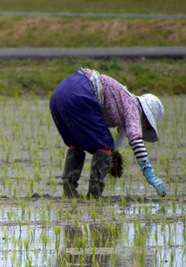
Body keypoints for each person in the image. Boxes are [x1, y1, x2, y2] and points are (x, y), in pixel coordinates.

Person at [49, 68, 166, 199]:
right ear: (146, 118)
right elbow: (136, 141)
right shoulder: (133, 106)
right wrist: (150, 175)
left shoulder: (123, 99)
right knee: (105, 145)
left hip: (58, 94)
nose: (144, 127)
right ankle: (94, 195)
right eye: (147, 125)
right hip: (79, 94)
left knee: (76, 142)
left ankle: (69, 192)